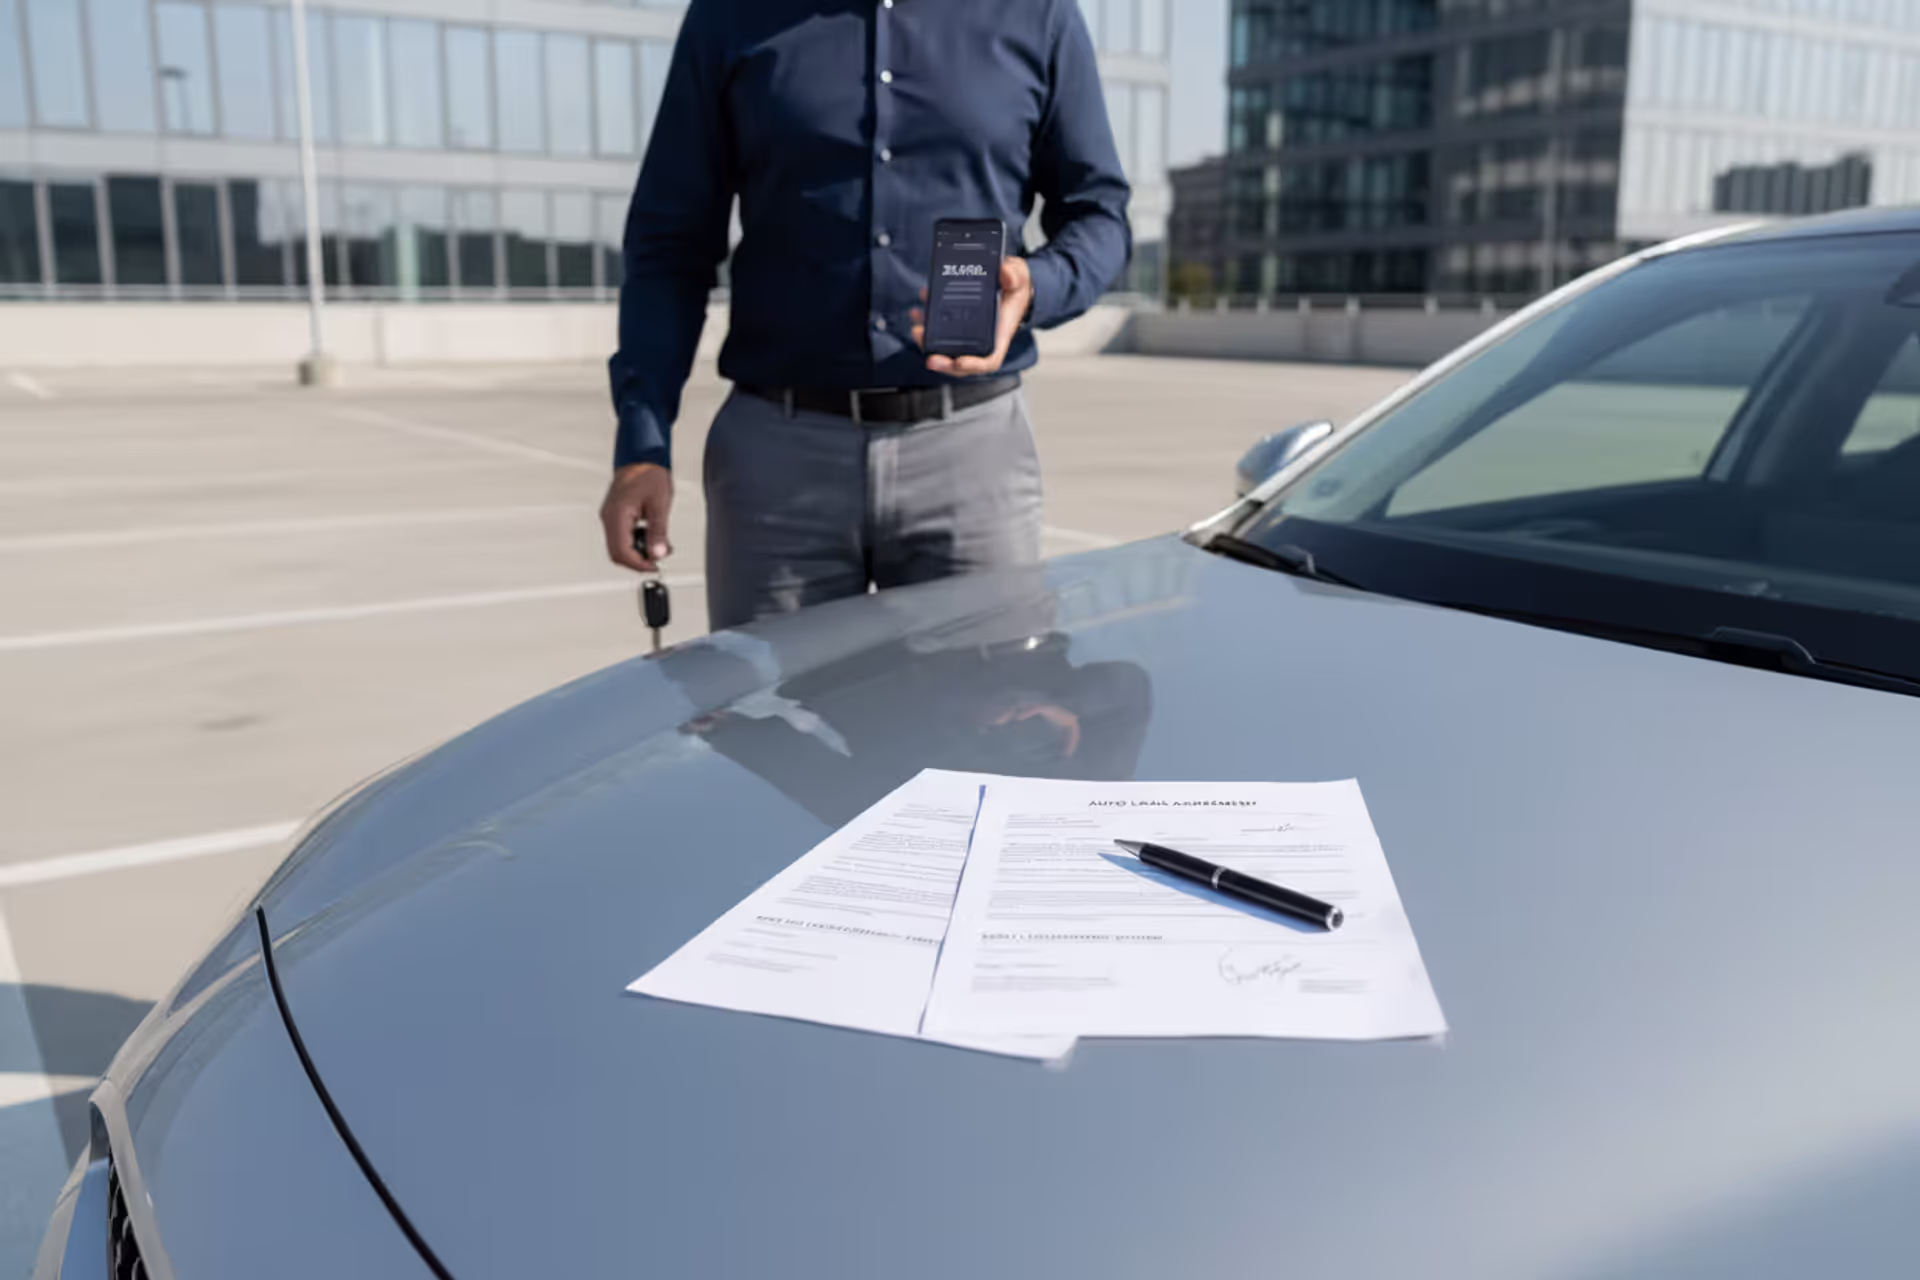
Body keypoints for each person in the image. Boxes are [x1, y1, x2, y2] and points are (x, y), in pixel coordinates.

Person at [600, 0, 1131, 630]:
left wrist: (1035, 284)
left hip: (971, 456)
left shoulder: (1038, 16)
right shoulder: (729, 16)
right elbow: (669, 246)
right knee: (768, 723)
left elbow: (1099, 216)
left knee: (981, 722)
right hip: (778, 465)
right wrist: (642, 442)